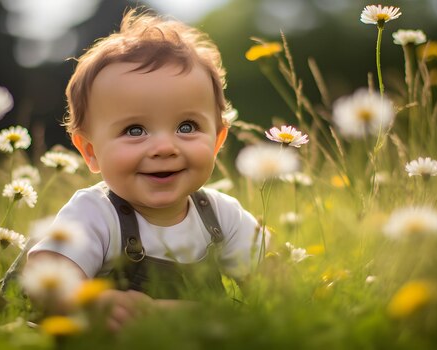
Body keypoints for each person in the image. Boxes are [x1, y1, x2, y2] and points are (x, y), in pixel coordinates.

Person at [25, 8, 267, 331]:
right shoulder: (96, 214)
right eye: (135, 130)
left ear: (217, 139)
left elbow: (274, 278)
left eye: (186, 126)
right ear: (91, 152)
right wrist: (88, 300)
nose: (165, 147)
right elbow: (47, 270)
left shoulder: (221, 216)